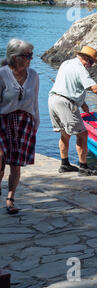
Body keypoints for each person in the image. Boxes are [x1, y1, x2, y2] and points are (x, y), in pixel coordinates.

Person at [48, 45, 97, 176]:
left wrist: (82, 102)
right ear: (84, 58)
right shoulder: (80, 68)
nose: (90, 65)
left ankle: (64, 164)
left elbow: (69, 85)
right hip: (65, 103)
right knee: (82, 134)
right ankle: (83, 167)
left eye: (92, 63)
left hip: (53, 100)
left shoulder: (66, 63)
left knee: (65, 133)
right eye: (90, 62)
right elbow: (95, 89)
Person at [0, 39, 40, 214]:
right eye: (27, 56)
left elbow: (36, 103)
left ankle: (10, 199)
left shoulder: (34, 76)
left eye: (31, 55)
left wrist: (36, 124)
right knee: (0, 160)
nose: (30, 59)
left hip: (25, 122)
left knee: (15, 164)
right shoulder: (2, 74)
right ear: (15, 57)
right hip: (3, 120)